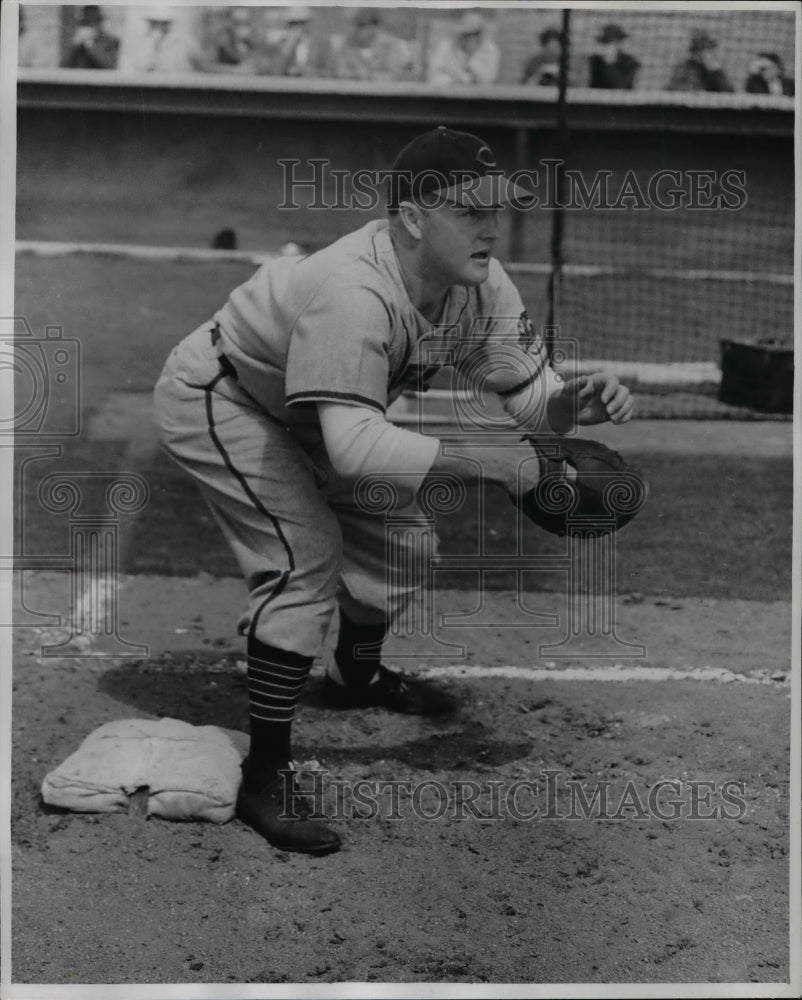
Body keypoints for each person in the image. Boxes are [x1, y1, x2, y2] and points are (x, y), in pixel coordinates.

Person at [153, 126, 634, 856]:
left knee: (406, 544)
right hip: (227, 400)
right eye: (471, 211)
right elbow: (353, 450)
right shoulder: (354, 290)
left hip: (319, 414)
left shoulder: (480, 283)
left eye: (496, 210)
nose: (490, 227)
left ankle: (357, 675)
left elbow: (531, 397)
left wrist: (573, 406)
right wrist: (496, 462)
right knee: (303, 559)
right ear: (414, 216)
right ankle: (265, 776)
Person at [330, 7, 419, 81]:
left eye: (361, 25)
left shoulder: (392, 45)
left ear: (375, 26)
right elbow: (339, 72)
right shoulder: (347, 46)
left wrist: (370, 76)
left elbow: (401, 75)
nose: (356, 31)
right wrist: (355, 75)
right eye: (354, 25)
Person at [117, 6, 206, 74]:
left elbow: (202, 64)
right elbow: (140, 66)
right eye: (153, 22)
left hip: (181, 89)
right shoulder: (142, 43)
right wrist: (153, 43)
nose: (158, 25)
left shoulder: (185, 41)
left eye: (163, 22)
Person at [429, 11, 500, 86]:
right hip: (450, 93)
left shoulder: (490, 50)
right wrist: (454, 82)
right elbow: (434, 77)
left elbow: (489, 79)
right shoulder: (445, 48)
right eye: (467, 34)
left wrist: (471, 58)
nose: (471, 38)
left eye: (475, 34)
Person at [667, 30, 734, 93]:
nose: (712, 54)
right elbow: (681, 89)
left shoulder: (714, 71)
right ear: (696, 53)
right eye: (707, 50)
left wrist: (716, 73)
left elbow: (729, 93)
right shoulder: (684, 69)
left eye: (711, 49)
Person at [64, 5, 119, 69]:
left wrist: (90, 45)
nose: (91, 25)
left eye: (95, 20)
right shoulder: (77, 42)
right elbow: (63, 66)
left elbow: (110, 66)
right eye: (86, 22)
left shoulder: (111, 41)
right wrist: (75, 45)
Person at [588, 23, 639, 90]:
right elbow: (593, 85)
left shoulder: (630, 62)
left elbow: (621, 86)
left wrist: (610, 61)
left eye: (612, 42)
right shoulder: (595, 61)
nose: (608, 46)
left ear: (619, 43)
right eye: (605, 42)